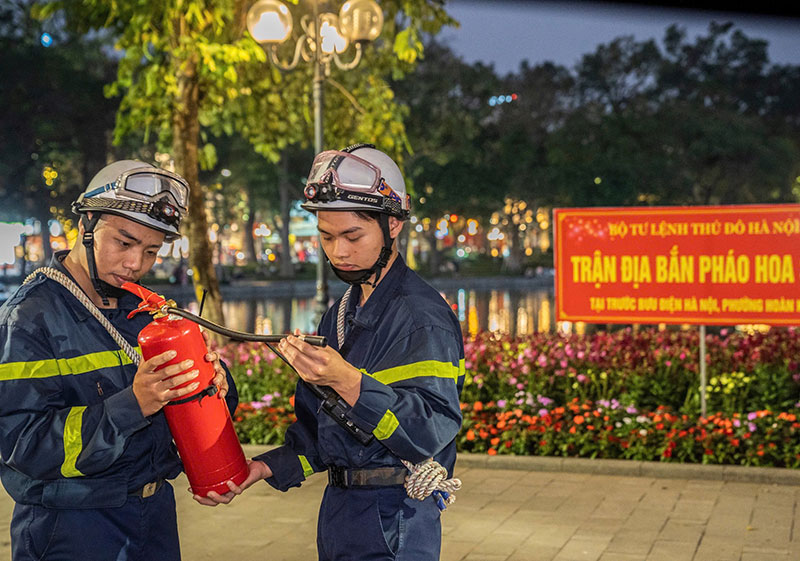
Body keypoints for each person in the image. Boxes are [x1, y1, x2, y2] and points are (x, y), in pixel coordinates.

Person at [197, 144, 465, 561]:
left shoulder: (421, 317)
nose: (338, 251)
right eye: (327, 236)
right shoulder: (339, 314)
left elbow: (429, 430)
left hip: (396, 519)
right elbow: (319, 432)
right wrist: (264, 467)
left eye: (352, 236)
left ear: (393, 224)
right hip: (341, 513)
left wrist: (347, 380)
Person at [0, 160, 237, 561]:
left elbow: (181, 420)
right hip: (72, 527)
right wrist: (133, 404)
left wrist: (213, 386)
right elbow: (22, 445)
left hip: (153, 517)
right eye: (124, 243)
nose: (135, 264)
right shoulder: (28, 318)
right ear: (86, 225)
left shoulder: (144, 312)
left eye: (151, 251)